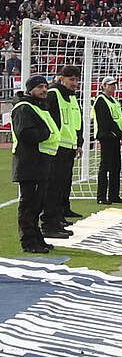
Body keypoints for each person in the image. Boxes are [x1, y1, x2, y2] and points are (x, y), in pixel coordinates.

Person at [12, 75, 58, 253]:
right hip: (29, 163)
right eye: (40, 87)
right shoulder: (24, 108)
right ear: (30, 89)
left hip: (40, 162)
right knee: (29, 205)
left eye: (45, 87)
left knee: (37, 204)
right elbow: (25, 133)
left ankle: (36, 238)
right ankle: (29, 242)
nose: (44, 90)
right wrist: (45, 133)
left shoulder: (38, 107)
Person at [42, 65, 83, 239]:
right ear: (61, 78)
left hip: (69, 146)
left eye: (76, 79)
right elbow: (50, 120)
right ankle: (49, 223)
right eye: (71, 79)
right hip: (57, 147)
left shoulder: (71, 97)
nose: (75, 83)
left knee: (62, 185)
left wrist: (78, 142)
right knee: (52, 186)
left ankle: (57, 218)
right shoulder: (54, 94)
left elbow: (76, 122)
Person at [92, 76, 122, 205]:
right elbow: (107, 121)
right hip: (106, 137)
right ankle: (101, 196)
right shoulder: (101, 101)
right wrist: (121, 134)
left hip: (115, 137)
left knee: (116, 167)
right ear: (103, 86)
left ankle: (114, 195)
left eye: (114, 84)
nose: (113, 86)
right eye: (110, 85)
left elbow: (120, 118)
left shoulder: (114, 101)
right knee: (105, 166)